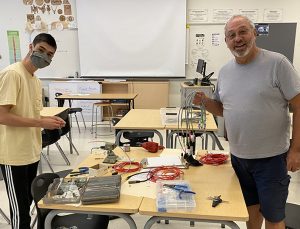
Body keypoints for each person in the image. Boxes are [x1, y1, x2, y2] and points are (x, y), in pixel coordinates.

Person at [193, 15, 300, 229]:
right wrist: (205, 102)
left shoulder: (277, 63)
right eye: (231, 35)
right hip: (239, 159)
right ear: (226, 41)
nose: (237, 38)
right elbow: (224, 109)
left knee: (273, 217)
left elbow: (298, 105)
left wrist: (296, 150)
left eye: (243, 31)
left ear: (254, 34)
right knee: (249, 214)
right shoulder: (225, 72)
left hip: (271, 159)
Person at [0, 33, 66, 229]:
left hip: (31, 151)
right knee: (20, 211)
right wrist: (40, 123)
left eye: (50, 54)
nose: (45, 56)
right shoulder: (13, 74)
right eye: (41, 50)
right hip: (13, 155)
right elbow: (2, 116)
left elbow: (30, 115)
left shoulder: (35, 80)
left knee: (29, 202)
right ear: (31, 47)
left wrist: (46, 121)